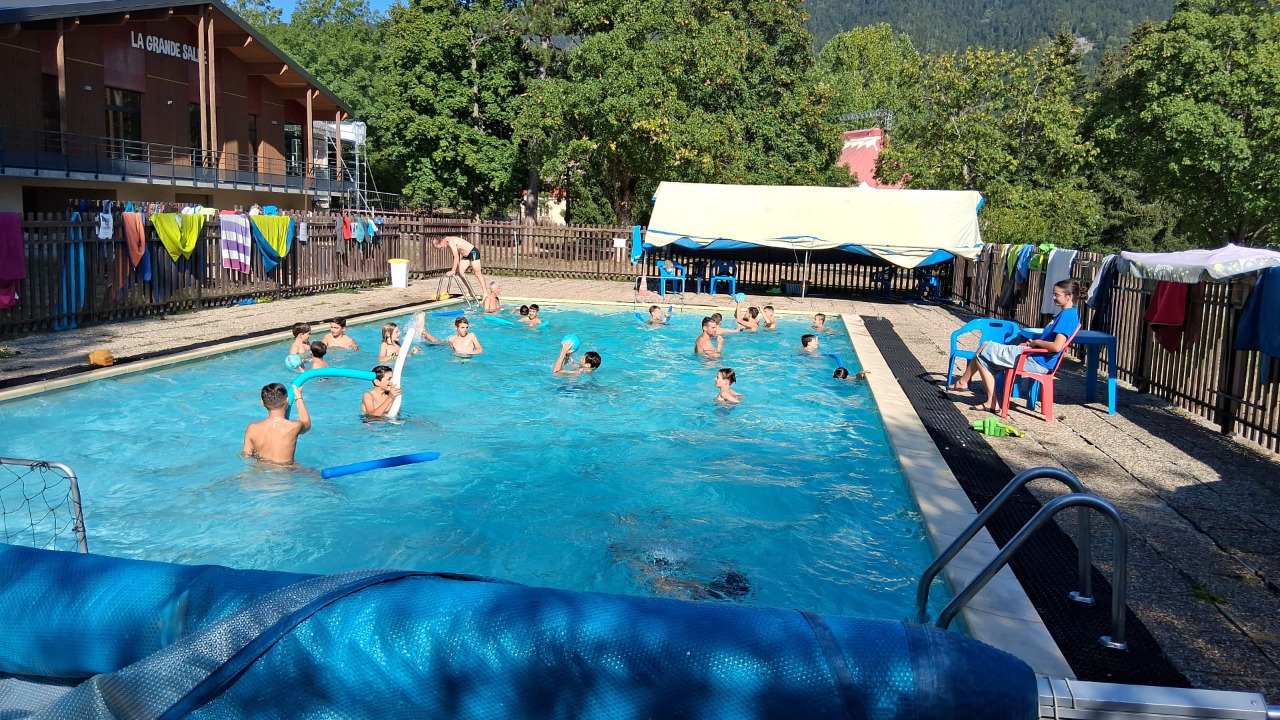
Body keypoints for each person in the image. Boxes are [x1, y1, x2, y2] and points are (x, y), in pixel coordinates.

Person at [948, 278, 1083, 412]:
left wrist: (1035, 342)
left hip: (1036, 361)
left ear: (1069, 296)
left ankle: (985, 397)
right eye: (1053, 294)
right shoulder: (1068, 313)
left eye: (1057, 295)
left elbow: (1057, 346)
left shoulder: (1067, 317)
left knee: (982, 355)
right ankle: (965, 383)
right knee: (984, 346)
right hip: (1034, 355)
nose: (1053, 297)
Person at [242, 383, 310, 465]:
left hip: (261, 468)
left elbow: (246, 455)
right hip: (285, 470)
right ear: (287, 401)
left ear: (262, 403)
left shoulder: (252, 428)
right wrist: (298, 398)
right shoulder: (293, 426)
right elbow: (307, 424)